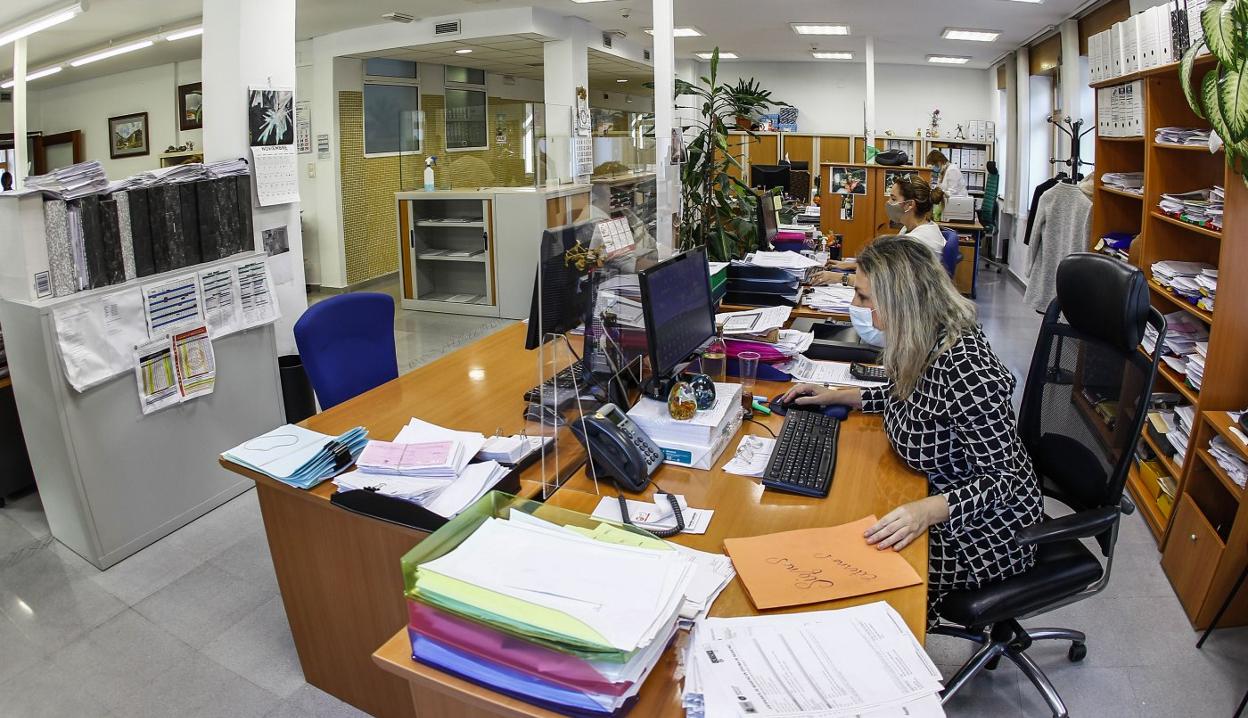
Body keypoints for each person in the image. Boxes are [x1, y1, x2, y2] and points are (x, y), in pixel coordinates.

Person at [782, 236, 1042, 625]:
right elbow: (906, 394)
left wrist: (927, 511)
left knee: (846, 571)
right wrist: (834, 395)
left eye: (864, 298)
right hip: (928, 494)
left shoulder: (968, 369)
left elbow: (1007, 480)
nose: (857, 307)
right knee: (831, 534)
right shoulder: (923, 340)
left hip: (981, 533)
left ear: (900, 300)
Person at [810, 174, 945, 287]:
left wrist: (840, 278)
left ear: (910, 205)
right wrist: (851, 265)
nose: (888, 202)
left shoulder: (917, 241)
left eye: (893, 198)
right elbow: (889, 265)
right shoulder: (914, 228)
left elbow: (885, 283)